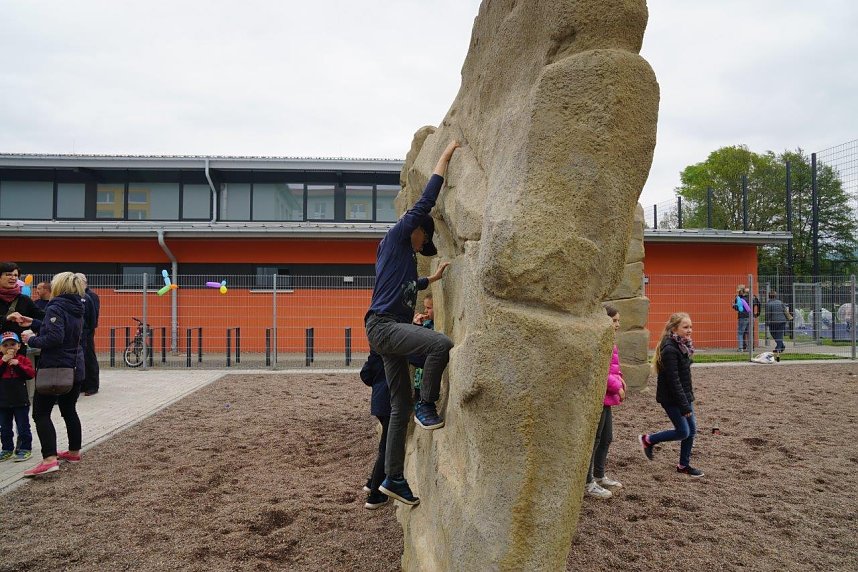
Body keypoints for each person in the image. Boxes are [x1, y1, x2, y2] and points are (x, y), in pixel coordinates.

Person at [364, 140, 460, 506]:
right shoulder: (396, 238)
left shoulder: (403, 260)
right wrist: (445, 156)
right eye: (425, 239)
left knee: (399, 407)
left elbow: (404, 286)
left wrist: (429, 281)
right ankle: (427, 404)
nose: (423, 246)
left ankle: (393, 479)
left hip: (386, 334)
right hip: (384, 327)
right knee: (440, 344)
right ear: (415, 229)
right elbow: (425, 202)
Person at [15, 272, 86, 477]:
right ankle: (74, 452)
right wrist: (34, 322)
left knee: (40, 412)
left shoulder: (56, 306)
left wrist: (31, 340)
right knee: (69, 409)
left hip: (55, 367)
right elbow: (61, 328)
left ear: (59, 287)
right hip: (75, 366)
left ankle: (49, 459)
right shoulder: (77, 306)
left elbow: (55, 337)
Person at [638, 312, 704, 478]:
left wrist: (688, 399)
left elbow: (683, 374)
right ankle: (648, 440)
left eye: (691, 327)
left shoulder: (683, 345)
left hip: (684, 395)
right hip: (672, 398)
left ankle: (683, 465)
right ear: (674, 328)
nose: (689, 330)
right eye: (685, 327)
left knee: (692, 430)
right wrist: (684, 406)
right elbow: (674, 381)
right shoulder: (670, 349)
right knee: (683, 432)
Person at [585, 305, 627, 499]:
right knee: (594, 441)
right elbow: (600, 371)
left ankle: (599, 476)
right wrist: (616, 386)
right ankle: (587, 482)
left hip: (607, 398)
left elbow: (613, 368)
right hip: (598, 398)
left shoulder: (610, 342)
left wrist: (621, 380)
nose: (617, 324)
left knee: (606, 437)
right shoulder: (597, 342)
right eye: (614, 320)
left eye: (619, 321)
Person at [359, 350, 391, 510]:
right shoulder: (395, 349)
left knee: (384, 445)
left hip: (378, 402)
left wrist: (378, 383)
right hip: (389, 403)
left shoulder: (376, 352)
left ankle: (372, 482)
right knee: (387, 448)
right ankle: (375, 495)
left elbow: (365, 374)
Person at [0, 332, 36, 462]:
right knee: (4, 427)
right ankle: (7, 449)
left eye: (12, 344)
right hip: (3, 402)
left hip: (20, 400)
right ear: (0, 348)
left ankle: (24, 448)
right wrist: (3, 362)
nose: (9, 347)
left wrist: (18, 365)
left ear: (19, 346)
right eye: (5, 345)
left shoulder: (22, 359)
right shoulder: (1, 360)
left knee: (23, 426)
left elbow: (30, 374)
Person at [0, 262, 45, 354]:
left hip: (18, 353)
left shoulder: (24, 299)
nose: (13, 278)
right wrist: (6, 318)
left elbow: (43, 319)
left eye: (15, 275)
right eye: (8, 274)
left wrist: (32, 324)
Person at [76, 273, 101, 396]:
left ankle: (92, 385)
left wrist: (89, 329)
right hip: (78, 332)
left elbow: (93, 315)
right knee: (81, 358)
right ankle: (83, 383)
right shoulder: (76, 296)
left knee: (89, 357)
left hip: (87, 332)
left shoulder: (91, 296)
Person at [409, 294, 435, 401]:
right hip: (419, 377)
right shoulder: (426, 324)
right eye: (425, 307)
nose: (425, 311)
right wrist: (417, 326)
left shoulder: (434, 327)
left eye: (428, 308)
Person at [765, 291, 789, 359]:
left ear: (769, 296)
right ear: (775, 296)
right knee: (779, 334)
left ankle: (778, 348)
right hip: (782, 321)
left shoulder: (768, 304)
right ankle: (781, 345)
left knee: (773, 333)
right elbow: (785, 310)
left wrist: (767, 322)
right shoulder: (780, 302)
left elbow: (767, 314)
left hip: (773, 322)